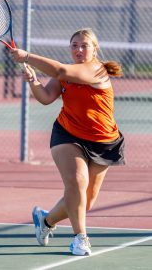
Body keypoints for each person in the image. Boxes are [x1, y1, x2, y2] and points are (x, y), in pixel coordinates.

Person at [10, 28, 125, 256]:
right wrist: (34, 81)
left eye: (84, 45)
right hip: (67, 133)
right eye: (74, 45)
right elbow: (45, 98)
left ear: (95, 49)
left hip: (104, 141)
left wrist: (26, 56)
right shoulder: (66, 73)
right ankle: (80, 239)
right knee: (76, 181)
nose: (79, 50)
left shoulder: (96, 70)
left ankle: (46, 221)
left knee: (85, 202)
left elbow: (61, 69)